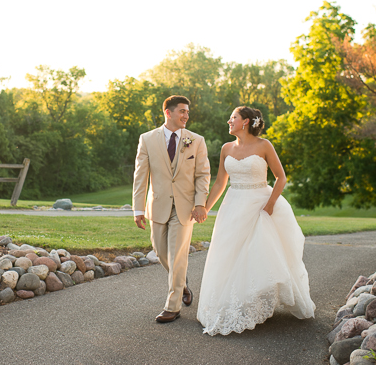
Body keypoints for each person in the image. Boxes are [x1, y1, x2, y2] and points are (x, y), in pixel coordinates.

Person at [195, 106, 315, 335]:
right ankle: (231, 301)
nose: (229, 121)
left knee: (258, 252)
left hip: (260, 204)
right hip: (233, 205)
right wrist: (205, 208)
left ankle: (255, 298)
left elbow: (281, 177)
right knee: (229, 254)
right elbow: (220, 182)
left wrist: (270, 204)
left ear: (246, 122)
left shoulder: (264, 145)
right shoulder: (226, 148)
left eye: (233, 118)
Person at [132, 95, 211, 323]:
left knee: (177, 256)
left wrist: (200, 204)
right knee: (160, 251)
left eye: (187, 112)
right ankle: (182, 284)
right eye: (182, 111)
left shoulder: (196, 140)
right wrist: (138, 209)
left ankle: (172, 306)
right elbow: (140, 177)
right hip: (157, 205)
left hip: (185, 208)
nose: (186, 115)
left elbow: (202, 175)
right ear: (168, 112)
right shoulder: (147, 139)